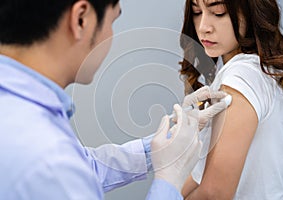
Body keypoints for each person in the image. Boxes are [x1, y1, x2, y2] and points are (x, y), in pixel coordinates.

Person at [0, 0, 229, 199]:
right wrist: (168, 181)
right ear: (81, 19)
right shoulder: (49, 160)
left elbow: (86, 166)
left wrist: (171, 136)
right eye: (112, 21)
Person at [179, 0, 283, 199]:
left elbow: (215, 193)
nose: (203, 27)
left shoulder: (242, 76)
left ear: (251, 11)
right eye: (197, 12)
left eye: (218, 12)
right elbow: (200, 175)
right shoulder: (251, 72)